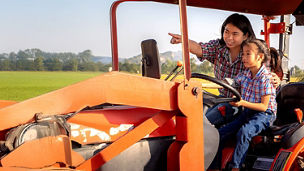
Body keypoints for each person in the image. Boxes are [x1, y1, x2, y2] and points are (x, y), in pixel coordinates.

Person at [169, 13, 281, 126]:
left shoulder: (253, 55)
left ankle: (203, 140)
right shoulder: (218, 47)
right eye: (226, 32)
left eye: (235, 34)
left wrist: (275, 80)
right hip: (220, 98)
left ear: (246, 35)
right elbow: (200, 48)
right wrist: (184, 40)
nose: (229, 37)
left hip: (239, 103)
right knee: (190, 107)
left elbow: (266, 78)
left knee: (203, 124)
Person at [208, 39, 277, 170]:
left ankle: (236, 167)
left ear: (260, 57)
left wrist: (242, 102)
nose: (243, 57)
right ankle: (214, 167)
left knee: (244, 132)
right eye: (243, 54)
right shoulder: (245, 74)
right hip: (247, 112)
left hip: (264, 114)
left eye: (247, 54)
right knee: (219, 134)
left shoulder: (265, 78)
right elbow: (233, 82)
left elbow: (263, 106)